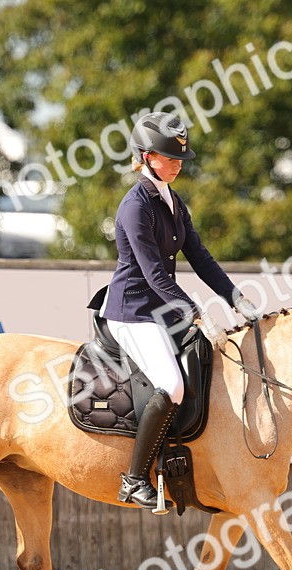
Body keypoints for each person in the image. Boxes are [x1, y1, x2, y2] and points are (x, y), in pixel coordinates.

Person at [99, 111, 260, 512]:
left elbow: (199, 257)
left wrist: (234, 296)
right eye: (169, 158)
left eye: (179, 160)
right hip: (132, 311)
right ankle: (134, 479)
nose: (176, 165)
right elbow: (154, 274)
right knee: (172, 386)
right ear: (145, 156)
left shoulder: (172, 200)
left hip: (160, 309)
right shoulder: (135, 206)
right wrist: (197, 314)